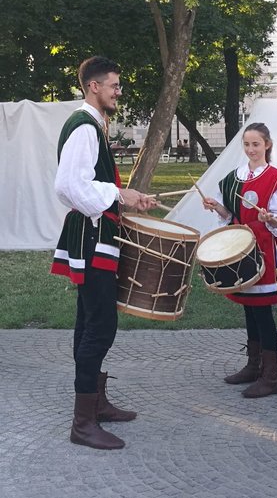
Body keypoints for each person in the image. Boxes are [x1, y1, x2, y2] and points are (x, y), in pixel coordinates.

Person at [51, 56, 156, 450]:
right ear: (94, 86)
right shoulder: (84, 127)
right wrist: (116, 193)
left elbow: (90, 184)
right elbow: (67, 185)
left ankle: (94, 405)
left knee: (89, 321)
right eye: (114, 85)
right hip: (91, 236)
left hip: (95, 232)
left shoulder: (93, 124)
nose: (118, 92)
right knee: (100, 326)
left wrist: (127, 198)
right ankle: (83, 422)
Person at [202, 122, 277, 398]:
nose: (251, 149)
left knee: (263, 313)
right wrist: (216, 206)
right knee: (249, 309)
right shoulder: (234, 178)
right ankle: (253, 366)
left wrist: (271, 218)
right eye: (246, 144)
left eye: (256, 144)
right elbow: (231, 215)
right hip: (240, 250)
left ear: (267, 145)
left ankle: (271, 376)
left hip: (263, 250)